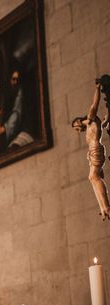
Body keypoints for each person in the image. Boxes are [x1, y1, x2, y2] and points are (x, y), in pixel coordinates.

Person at [72, 81, 110, 220]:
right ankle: (103, 208)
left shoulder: (90, 119)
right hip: (92, 151)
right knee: (92, 177)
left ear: (77, 122)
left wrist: (97, 90)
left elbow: (94, 104)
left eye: (76, 128)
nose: (78, 131)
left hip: (95, 149)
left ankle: (107, 206)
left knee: (94, 177)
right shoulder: (90, 125)